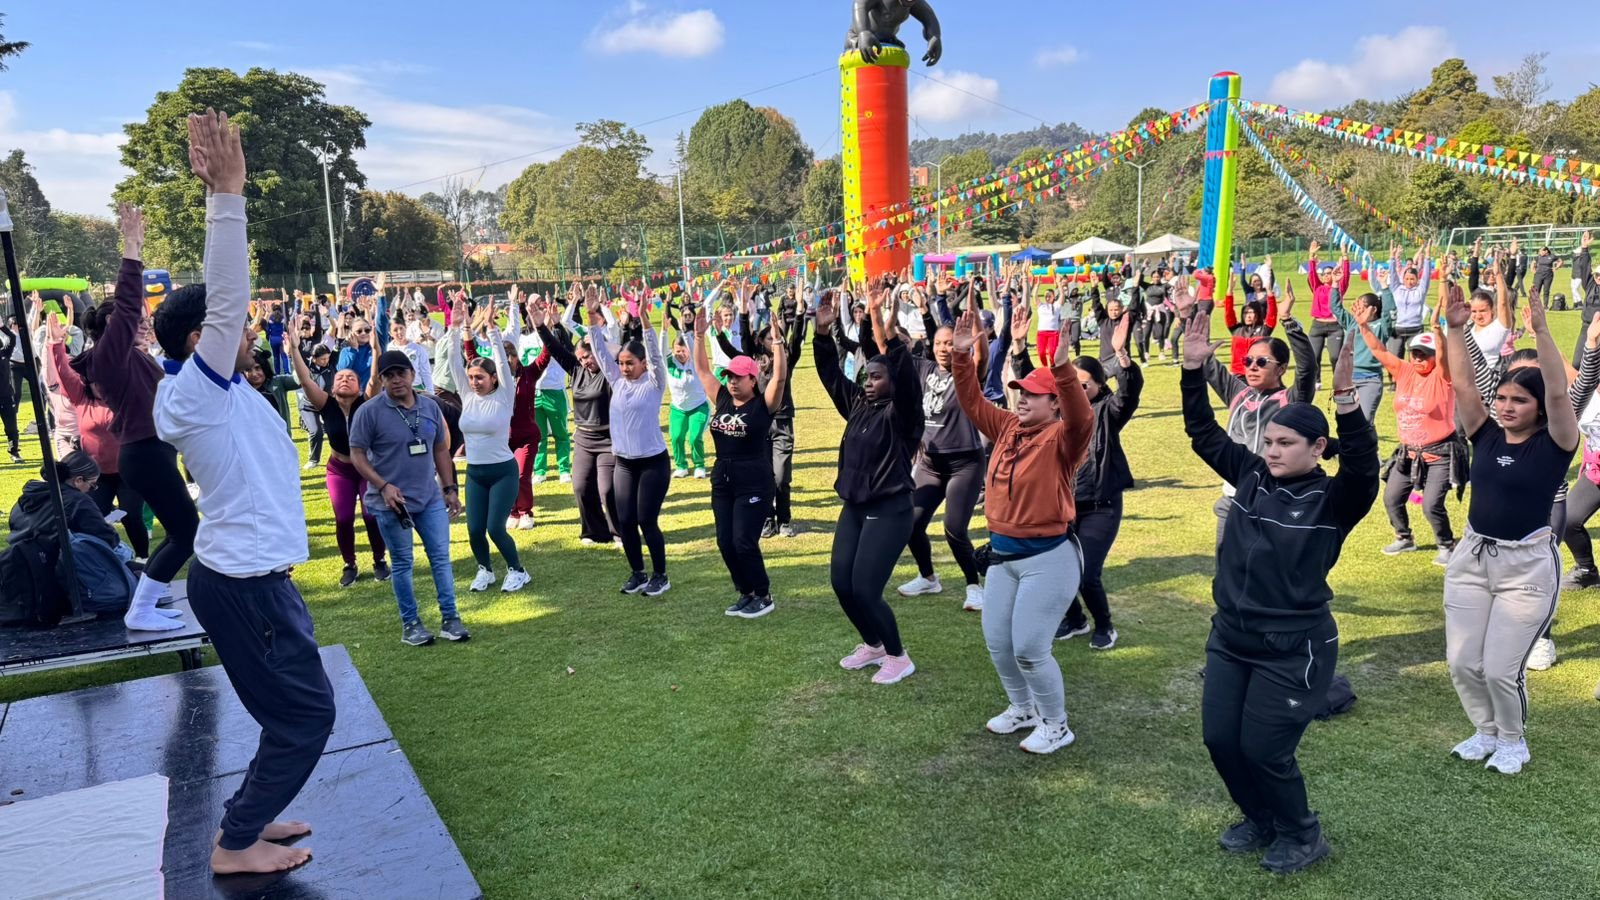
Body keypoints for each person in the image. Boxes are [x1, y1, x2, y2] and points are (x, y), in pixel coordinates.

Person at [150, 110, 335, 875]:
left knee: (285, 713)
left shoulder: (214, 393)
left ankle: (249, 821)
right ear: (201, 342)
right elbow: (226, 301)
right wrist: (227, 195)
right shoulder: (198, 391)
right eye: (229, 329)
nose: (249, 327)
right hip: (243, 587)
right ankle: (234, 846)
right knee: (307, 717)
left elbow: (224, 314)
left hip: (257, 582)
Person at [1179, 308, 1378, 875]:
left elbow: (1364, 468)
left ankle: (1301, 832)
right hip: (1231, 639)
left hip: (1295, 648)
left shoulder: (1333, 503)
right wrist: (1194, 372)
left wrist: (1347, 405)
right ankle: (1261, 818)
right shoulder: (1251, 476)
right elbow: (1202, 433)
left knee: (1265, 750)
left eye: (1286, 443)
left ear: (1317, 449)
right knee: (1221, 741)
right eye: (1268, 440)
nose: (1271, 451)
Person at [1438, 280, 1576, 775]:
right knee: (1462, 663)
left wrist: (1541, 333)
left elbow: (1559, 391)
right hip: (1473, 559)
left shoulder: (1557, 443)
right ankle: (1484, 731)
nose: (1506, 405)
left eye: (1519, 400)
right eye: (1502, 397)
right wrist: (1454, 330)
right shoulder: (1486, 434)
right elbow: (1462, 387)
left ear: (1537, 408)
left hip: (1527, 568)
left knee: (1500, 668)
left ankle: (1513, 742)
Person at [949, 306, 1093, 753]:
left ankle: (1056, 724)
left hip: (1048, 559)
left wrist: (1063, 369)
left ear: (1054, 403)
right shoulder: (1008, 425)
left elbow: (1082, 417)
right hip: (1003, 557)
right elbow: (972, 401)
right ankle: (1023, 708)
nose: (1022, 398)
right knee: (998, 643)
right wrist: (960, 355)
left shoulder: (1064, 438)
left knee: (1030, 647)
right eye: (1019, 392)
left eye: (1033, 393)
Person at [70, 204, 196, 632]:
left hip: (151, 450)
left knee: (184, 530)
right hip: (143, 453)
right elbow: (125, 307)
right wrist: (132, 247)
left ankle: (149, 599)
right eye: (135, 321)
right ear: (112, 327)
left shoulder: (130, 359)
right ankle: (142, 607)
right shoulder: (110, 357)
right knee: (186, 532)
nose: (142, 323)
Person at [813, 280, 923, 685]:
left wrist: (883, 327)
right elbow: (828, 375)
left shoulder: (903, 415)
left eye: (877, 376)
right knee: (841, 583)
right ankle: (873, 644)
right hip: (855, 506)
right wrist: (822, 333)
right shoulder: (860, 405)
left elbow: (907, 383)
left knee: (865, 588)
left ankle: (898, 656)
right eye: (866, 376)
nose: (869, 382)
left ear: (891, 380)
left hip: (890, 509)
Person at [1016, 313, 1142, 648]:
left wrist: (1122, 358)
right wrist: (1017, 348)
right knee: (1054, 570)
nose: (1078, 389)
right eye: (1073, 383)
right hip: (1062, 504)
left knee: (1085, 573)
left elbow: (1129, 394)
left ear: (1100, 386)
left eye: (1085, 384)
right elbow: (1032, 386)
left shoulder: (1108, 411)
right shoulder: (1056, 413)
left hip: (1101, 505)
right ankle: (1075, 620)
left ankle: (1105, 625)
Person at [349, 349, 467, 646]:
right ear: (382, 379)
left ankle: (450, 619)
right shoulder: (369, 411)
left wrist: (449, 488)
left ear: (413, 374)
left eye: (401, 373)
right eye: (389, 375)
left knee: (441, 558)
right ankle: (411, 624)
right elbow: (357, 455)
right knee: (402, 563)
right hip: (392, 503)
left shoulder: (429, 407)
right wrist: (383, 484)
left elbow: (441, 448)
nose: (396, 380)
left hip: (429, 498)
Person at [1191, 288, 1316, 548]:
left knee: (1265, 576)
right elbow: (1204, 361)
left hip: (1271, 501)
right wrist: (1186, 315)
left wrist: (1288, 320)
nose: (1252, 367)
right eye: (1248, 361)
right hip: (1231, 499)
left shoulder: (1291, 402)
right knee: (1225, 574)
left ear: (1281, 368)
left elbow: (1307, 369)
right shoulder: (1238, 393)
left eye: (1262, 362)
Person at [690, 307, 788, 618]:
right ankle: (745, 592)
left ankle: (763, 594)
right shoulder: (720, 398)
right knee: (725, 542)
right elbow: (703, 370)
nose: (732, 382)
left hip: (754, 480)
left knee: (744, 541)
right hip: (723, 480)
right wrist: (698, 335)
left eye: (739, 378)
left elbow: (781, 376)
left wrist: (777, 341)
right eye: (730, 376)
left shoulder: (763, 405)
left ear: (753, 380)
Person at [1354, 295, 1460, 563]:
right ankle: (1404, 538)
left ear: (1435, 357)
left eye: (1424, 354)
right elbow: (1378, 351)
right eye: (1414, 352)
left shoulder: (1442, 376)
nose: (1418, 358)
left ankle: (1446, 545)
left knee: (1431, 504)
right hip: (1409, 452)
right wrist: (1364, 327)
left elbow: (1445, 356)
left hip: (1439, 453)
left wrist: (1437, 330)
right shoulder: (1403, 371)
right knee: (1391, 498)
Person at [285, 319, 389, 588]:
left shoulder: (367, 404)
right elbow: (306, 381)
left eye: (351, 378)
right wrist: (294, 350)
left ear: (359, 386)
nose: (345, 379)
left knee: (370, 515)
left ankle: (379, 560)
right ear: (333, 386)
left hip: (366, 468)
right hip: (339, 470)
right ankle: (349, 564)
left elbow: (376, 378)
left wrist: (377, 351)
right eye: (341, 377)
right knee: (343, 518)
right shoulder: (326, 404)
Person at [897, 313, 987, 611]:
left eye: (949, 343)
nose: (943, 348)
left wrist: (973, 340)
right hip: (930, 464)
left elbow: (981, 358)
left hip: (965, 464)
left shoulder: (967, 374)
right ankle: (928, 577)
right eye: (938, 343)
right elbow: (890, 347)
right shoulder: (923, 369)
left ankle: (974, 586)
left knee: (954, 528)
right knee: (910, 523)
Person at [588, 292, 672, 597]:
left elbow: (655, 355)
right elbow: (598, 350)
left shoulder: (653, 383)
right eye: (621, 363)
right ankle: (638, 572)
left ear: (642, 364)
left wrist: (646, 320)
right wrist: (591, 317)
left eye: (630, 363)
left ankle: (660, 575)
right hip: (624, 463)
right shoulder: (617, 382)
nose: (624, 368)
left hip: (652, 462)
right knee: (625, 521)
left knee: (646, 519)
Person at [47, 314, 148, 558]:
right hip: (98, 475)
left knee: (131, 513)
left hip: (129, 471)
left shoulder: (125, 396)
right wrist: (55, 344)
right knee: (93, 515)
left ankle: (143, 558)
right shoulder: (81, 398)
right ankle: (103, 559)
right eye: (96, 382)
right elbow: (63, 373)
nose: (101, 386)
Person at [448, 296, 531, 593]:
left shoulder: (503, 394)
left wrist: (494, 330)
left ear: (494, 378)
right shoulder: (467, 394)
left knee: (496, 528)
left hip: (502, 472)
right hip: (476, 474)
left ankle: (518, 571)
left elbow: (500, 360)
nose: (474, 381)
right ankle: (485, 570)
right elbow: (453, 360)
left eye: (480, 377)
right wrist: (456, 326)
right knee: (473, 530)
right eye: (471, 377)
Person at [536, 309, 618, 547]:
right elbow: (555, 349)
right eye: (581, 358)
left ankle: (619, 532)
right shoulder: (576, 370)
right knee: (581, 486)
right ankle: (594, 532)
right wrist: (541, 326)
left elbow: (616, 351)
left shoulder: (610, 372)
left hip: (609, 438)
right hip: (584, 438)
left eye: (589, 357)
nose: (585, 362)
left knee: (608, 489)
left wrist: (597, 338)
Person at [7, 450, 121, 552]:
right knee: (123, 552)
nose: (91, 490)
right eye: (92, 485)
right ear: (79, 480)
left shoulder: (28, 495)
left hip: (21, 559)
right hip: (56, 565)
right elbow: (109, 537)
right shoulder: (78, 500)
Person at [662, 317, 709, 479]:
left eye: (683, 351)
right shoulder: (669, 362)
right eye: (677, 351)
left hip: (698, 406)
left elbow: (692, 345)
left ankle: (699, 465)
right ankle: (681, 465)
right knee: (676, 437)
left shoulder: (695, 362)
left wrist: (683, 330)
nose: (680, 354)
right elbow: (661, 349)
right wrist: (664, 331)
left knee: (695, 437)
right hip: (678, 408)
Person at [1304, 241, 1350, 383]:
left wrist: (1344, 255)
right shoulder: (1317, 287)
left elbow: (1346, 275)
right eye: (1324, 274)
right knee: (1314, 355)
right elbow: (1311, 274)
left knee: (1335, 356)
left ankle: (1338, 380)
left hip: (1334, 327)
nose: (1326, 276)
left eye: (1329, 273)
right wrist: (1311, 256)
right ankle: (1316, 380)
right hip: (1317, 326)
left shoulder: (1338, 288)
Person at [1223, 274, 1279, 376]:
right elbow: (1228, 312)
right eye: (1245, 313)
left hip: (1258, 374)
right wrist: (1229, 291)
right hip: (1238, 374)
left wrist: (1270, 295)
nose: (1248, 316)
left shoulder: (1263, 330)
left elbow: (1272, 315)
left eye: (1251, 312)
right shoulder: (1237, 329)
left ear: (1257, 314)